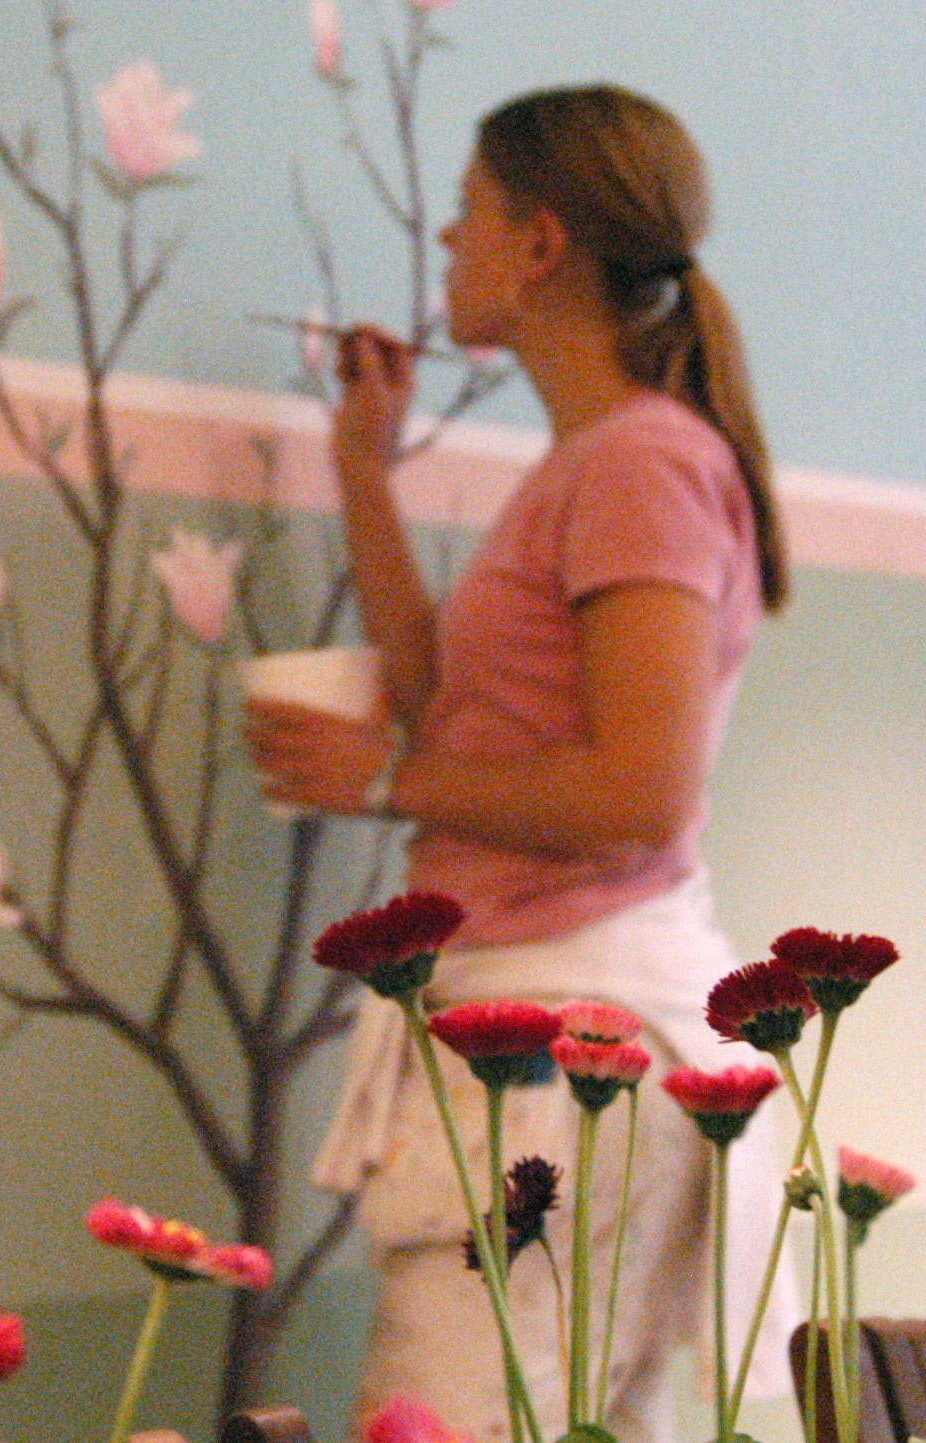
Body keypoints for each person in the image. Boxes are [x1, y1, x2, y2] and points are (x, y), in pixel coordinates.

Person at [243, 87, 797, 1443]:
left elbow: (639, 793)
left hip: (567, 1056)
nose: (445, 238)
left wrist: (384, 781)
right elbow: (445, 708)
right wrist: (363, 470)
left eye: (468, 211)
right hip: (541, 1039)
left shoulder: (642, 466)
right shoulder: (596, 462)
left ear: (541, 243)